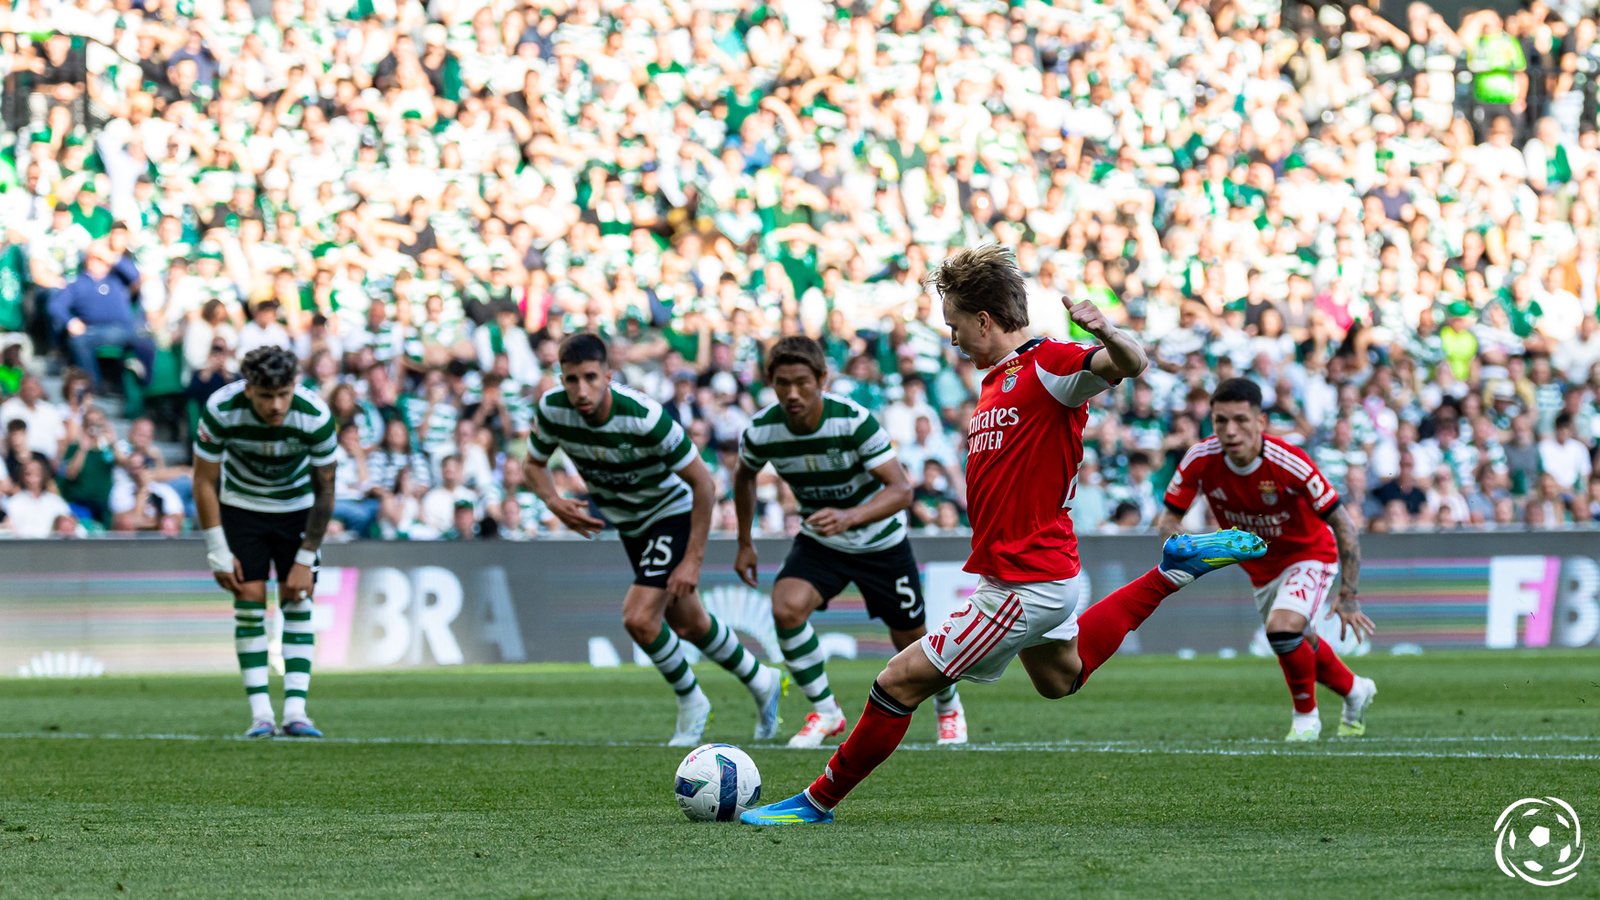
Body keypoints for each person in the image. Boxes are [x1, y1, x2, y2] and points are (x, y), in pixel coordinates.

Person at [742, 244, 1265, 826]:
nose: (953, 340)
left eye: (956, 326)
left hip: (1026, 583)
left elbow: (1131, 364)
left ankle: (815, 802)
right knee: (1058, 678)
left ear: (985, 321)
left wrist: (1107, 331)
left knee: (897, 681)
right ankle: (1171, 572)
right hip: (1042, 573)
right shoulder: (996, 382)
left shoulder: (1051, 364)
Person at [526, 333, 783, 747]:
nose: (581, 390)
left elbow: (703, 484)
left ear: (609, 375)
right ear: (561, 379)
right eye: (571, 380)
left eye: (591, 377)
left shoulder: (644, 416)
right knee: (689, 622)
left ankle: (692, 699)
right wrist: (554, 502)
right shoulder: (554, 410)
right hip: (631, 524)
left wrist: (693, 561)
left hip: (671, 512)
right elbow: (533, 465)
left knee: (639, 617)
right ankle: (763, 679)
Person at [733, 335, 968, 748]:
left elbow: (901, 490)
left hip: (880, 542)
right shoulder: (762, 431)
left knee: (910, 639)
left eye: (802, 382)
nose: (792, 393)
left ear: (822, 379)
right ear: (769, 382)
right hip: (823, 541)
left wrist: (850, 516)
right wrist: (744, 541)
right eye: (782, 383)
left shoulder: (853, 421)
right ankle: (826, 712)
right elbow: (744, 477)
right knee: (785, 607)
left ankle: (948, 704)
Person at [1154, 378, 1378, 742]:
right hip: (1261, 567)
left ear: (1261, 422)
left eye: (1240, 420)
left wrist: (1349, 593)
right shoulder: (1200, 458)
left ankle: (1306, 719)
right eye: (1220, 420)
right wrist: (1174, 552)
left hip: (1310, 554)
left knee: (1281, 629)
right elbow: (1169, 518)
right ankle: (1355, 690)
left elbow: (1343, 524)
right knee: (1296, 638)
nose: (1230, 430)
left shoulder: (1289, 461)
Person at [194, 346, 338, 739]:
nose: (276, 406)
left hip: (297, 509)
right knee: (249, 599)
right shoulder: (221, 409)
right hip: (242, 508)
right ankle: (261, 715)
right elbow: (204, 480)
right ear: (247, 389)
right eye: (265, 396)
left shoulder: (315, 416)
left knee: (297, 597)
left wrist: (306, 558)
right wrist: (217, 549)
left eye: (283, 395)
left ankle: (296, 711)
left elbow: (326, 492)